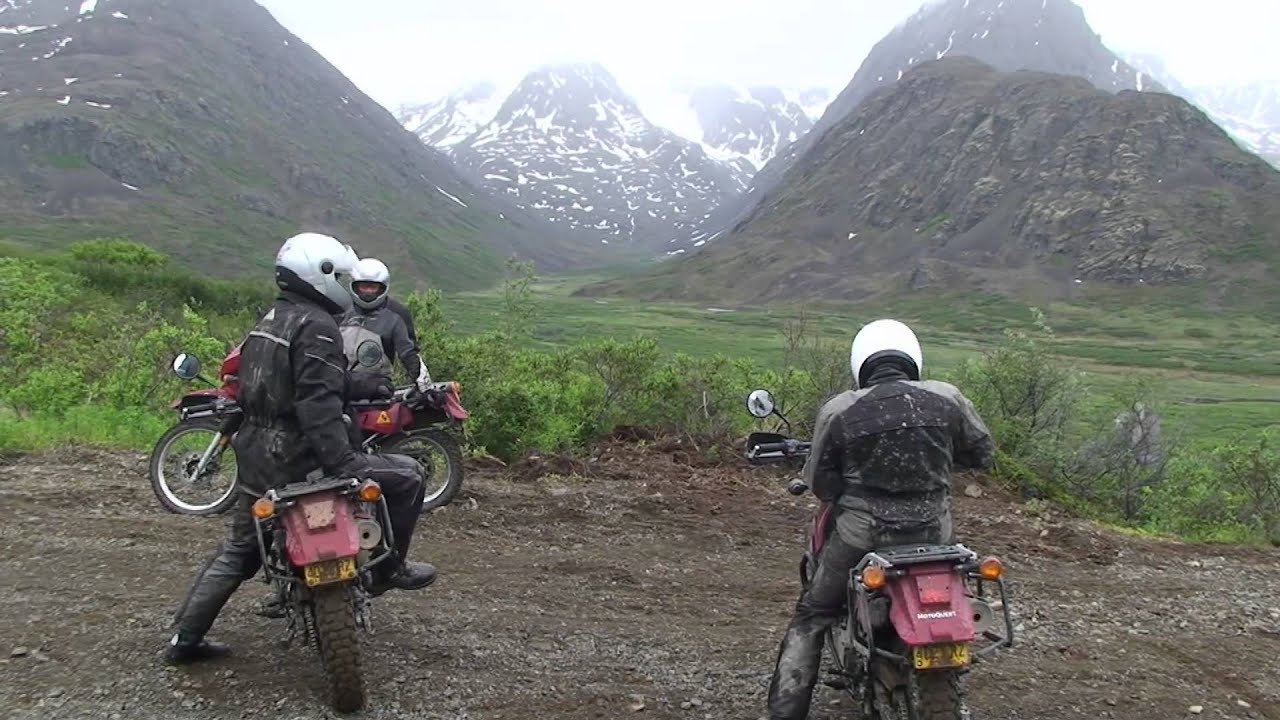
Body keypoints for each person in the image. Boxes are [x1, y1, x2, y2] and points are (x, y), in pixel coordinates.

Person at [165, 232, 438, 664]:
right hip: (303, 457)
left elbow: (290, 383)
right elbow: (315, 403)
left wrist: (357, 383)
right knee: (407, 476)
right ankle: (389, 568)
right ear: (321, 275)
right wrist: (343, 462)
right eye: (342, 275)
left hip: (257, 459)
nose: (348, 285)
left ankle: (185, 639)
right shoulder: (321, 328)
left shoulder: (270, 319)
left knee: (238, 551)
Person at [766, 318, 995, 720]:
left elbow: (820, 482)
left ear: (861, 364)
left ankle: (785, 713)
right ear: (913, 358)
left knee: (813, 615)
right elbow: (981, 454)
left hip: (862, 535)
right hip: (934, 532)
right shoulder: (948, 398)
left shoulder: (841, 409)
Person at [340, 258, 432, 394]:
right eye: (363, 286)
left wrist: (424, 386)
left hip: (377, 387)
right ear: (354, 285)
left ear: (383, 287)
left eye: (373, 287)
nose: (368, 292)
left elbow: (408, 352)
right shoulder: (339, 308)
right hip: (337, 383)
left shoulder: (397, 314)